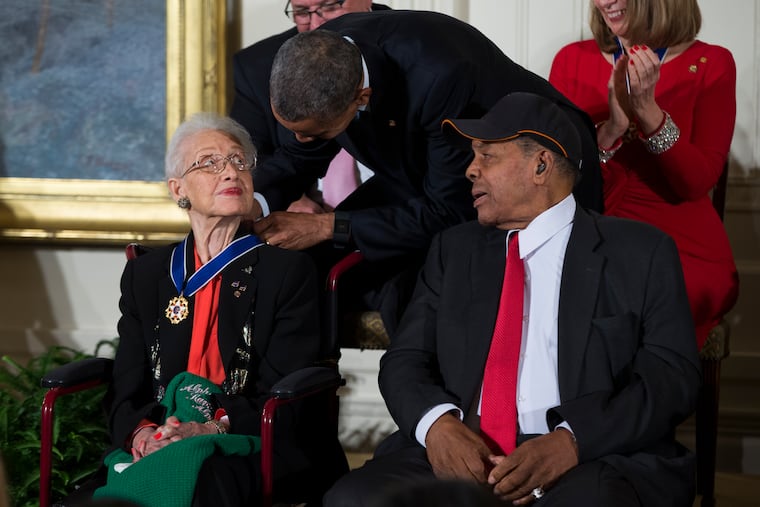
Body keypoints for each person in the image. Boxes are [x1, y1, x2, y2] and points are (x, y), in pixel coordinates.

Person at [323, 92, 701, 507]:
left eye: (487, 156)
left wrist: (571, 441)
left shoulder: (639, 252)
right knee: (353, 498)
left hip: (590, 457)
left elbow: (671, 376)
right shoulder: (453, 250)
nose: (470, 170)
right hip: (463, 447)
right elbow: (405, 359)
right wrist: (438, 427)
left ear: (540, 165)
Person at [236, 10, 604, 333]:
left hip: (523, 176)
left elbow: (447, 209)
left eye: (314, 132)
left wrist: (325, 225)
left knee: (415, 296)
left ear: (360, 98)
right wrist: (249, 205)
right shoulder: (323, 55)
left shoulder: (439, 74)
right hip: (422, 169)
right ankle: (297, 399)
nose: (300, 140)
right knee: (295, 269)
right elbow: (299, 156)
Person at [88, 113, 345, 507]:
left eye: (239, 161)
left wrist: (204, 428)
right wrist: (143, 434)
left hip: (253, 439)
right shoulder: (148, 274)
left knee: (204, 480)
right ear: (179, 190)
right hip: (161, 434)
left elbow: (284, 389)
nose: (231, 172)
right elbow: (128, 382)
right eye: (210, 163)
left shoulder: (286, 271)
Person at [549, 0, 739, 350]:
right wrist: (612, 130)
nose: (604, 1)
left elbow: (695, 183)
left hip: (680, 247)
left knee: (628, 302)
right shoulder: (570, 60)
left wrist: (649, 113)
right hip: (589, 235)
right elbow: (556, 185)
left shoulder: (713, 63)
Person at [231, 0, 391, 214]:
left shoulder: (413, 47)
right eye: (302, 12)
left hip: (397, 219)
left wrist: (334, 226)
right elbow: (251, 160)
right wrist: (288, 200)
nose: (317, 24)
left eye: (330, 6)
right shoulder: (258, 66)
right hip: (299, 222)